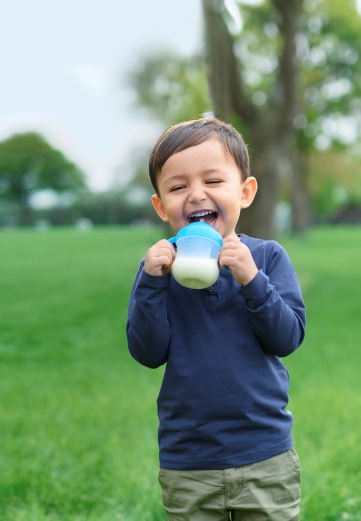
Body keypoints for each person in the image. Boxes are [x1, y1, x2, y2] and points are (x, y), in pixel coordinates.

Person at [126, 117, 306, 520]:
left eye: (213, 181)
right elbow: (147, 351)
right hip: (188, 458)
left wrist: (251, 279)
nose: (195, 195)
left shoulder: (266, 258)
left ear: (245, 192)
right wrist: (152, 282)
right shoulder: (157, 270)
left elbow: (288, 338)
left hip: (265, 453)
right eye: (177, 187)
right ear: (160, 205)